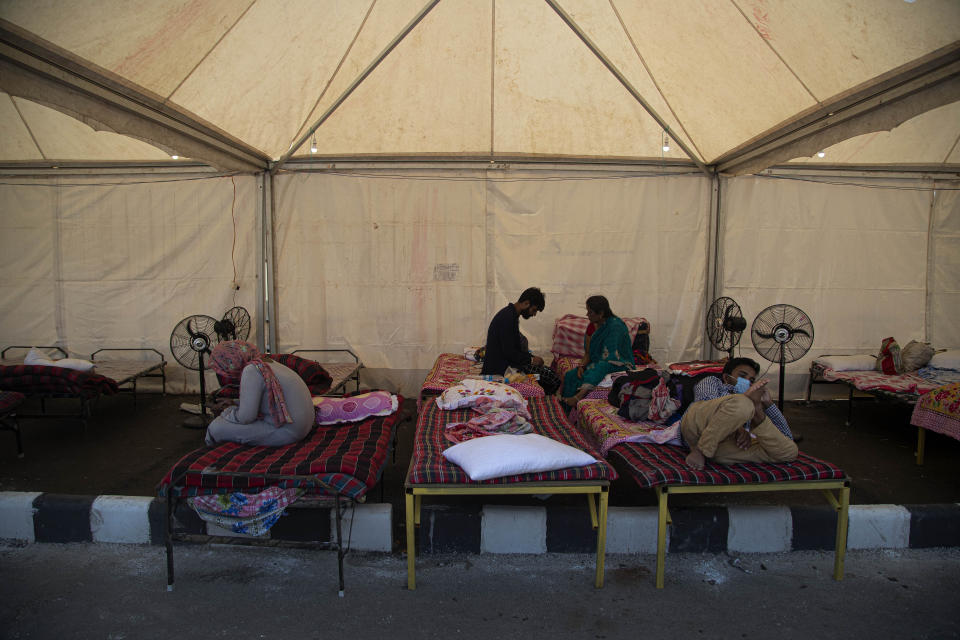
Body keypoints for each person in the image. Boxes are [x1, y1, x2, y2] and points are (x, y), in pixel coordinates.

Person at [681, 357, 798, 470]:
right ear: (726, 377)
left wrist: (767, 404)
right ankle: (701, 450)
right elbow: (706, 405)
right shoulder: (712, 382)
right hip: (696, 429)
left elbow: (786, 436)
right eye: (742, 376)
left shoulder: (753, 399)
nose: (747, 381)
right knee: (743, 404)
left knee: (789, 451)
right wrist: (738, 425)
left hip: (722, 444)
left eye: (751, 380)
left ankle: (707, 452)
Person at [204, 340, 315, 447]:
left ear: (229, 361)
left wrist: (225, 413)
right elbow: (264, 402)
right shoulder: (266, 363)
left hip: (288, 431)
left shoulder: (251, 371)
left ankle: (210, 453)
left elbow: (246, 417)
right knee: (229, 413)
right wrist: (234, 403)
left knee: (216, 427)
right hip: (303, 427)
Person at [561, 295, 635, 407]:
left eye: (590, 312)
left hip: (620, 363)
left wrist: (595, 366)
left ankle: (578, 397)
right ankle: (566, 408)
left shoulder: (615, 326)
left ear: (600, 313)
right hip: (600, 361)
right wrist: (582, 366)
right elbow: (588, 353)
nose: (587, 315)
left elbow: (612, 356)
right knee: (571, 375)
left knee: (600, 367)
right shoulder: (592, 326)